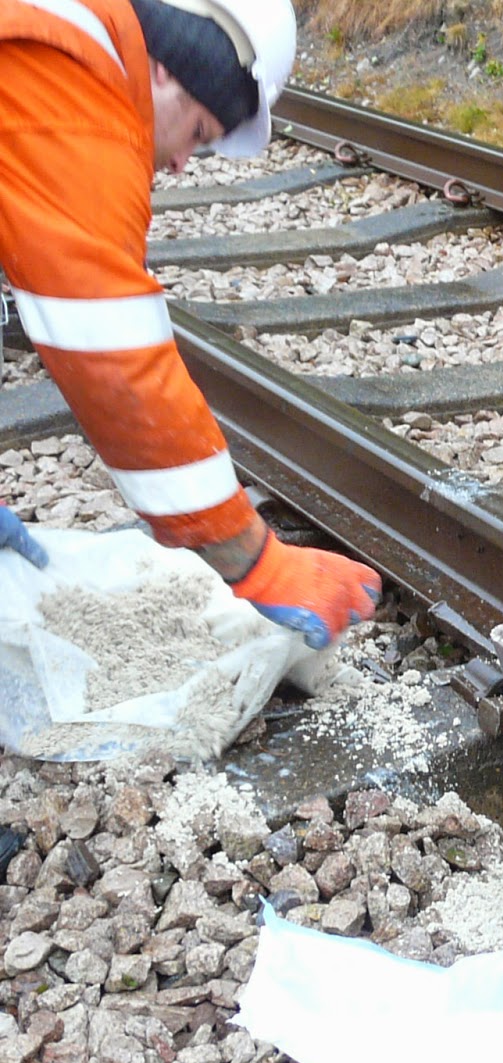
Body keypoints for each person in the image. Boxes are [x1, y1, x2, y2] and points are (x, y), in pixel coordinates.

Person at [0, 0, 379, 650]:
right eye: (201, 133)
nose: (180, 165)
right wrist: (252, 557)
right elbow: (106, 342)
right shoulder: (69, 68)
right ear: (176, 70)